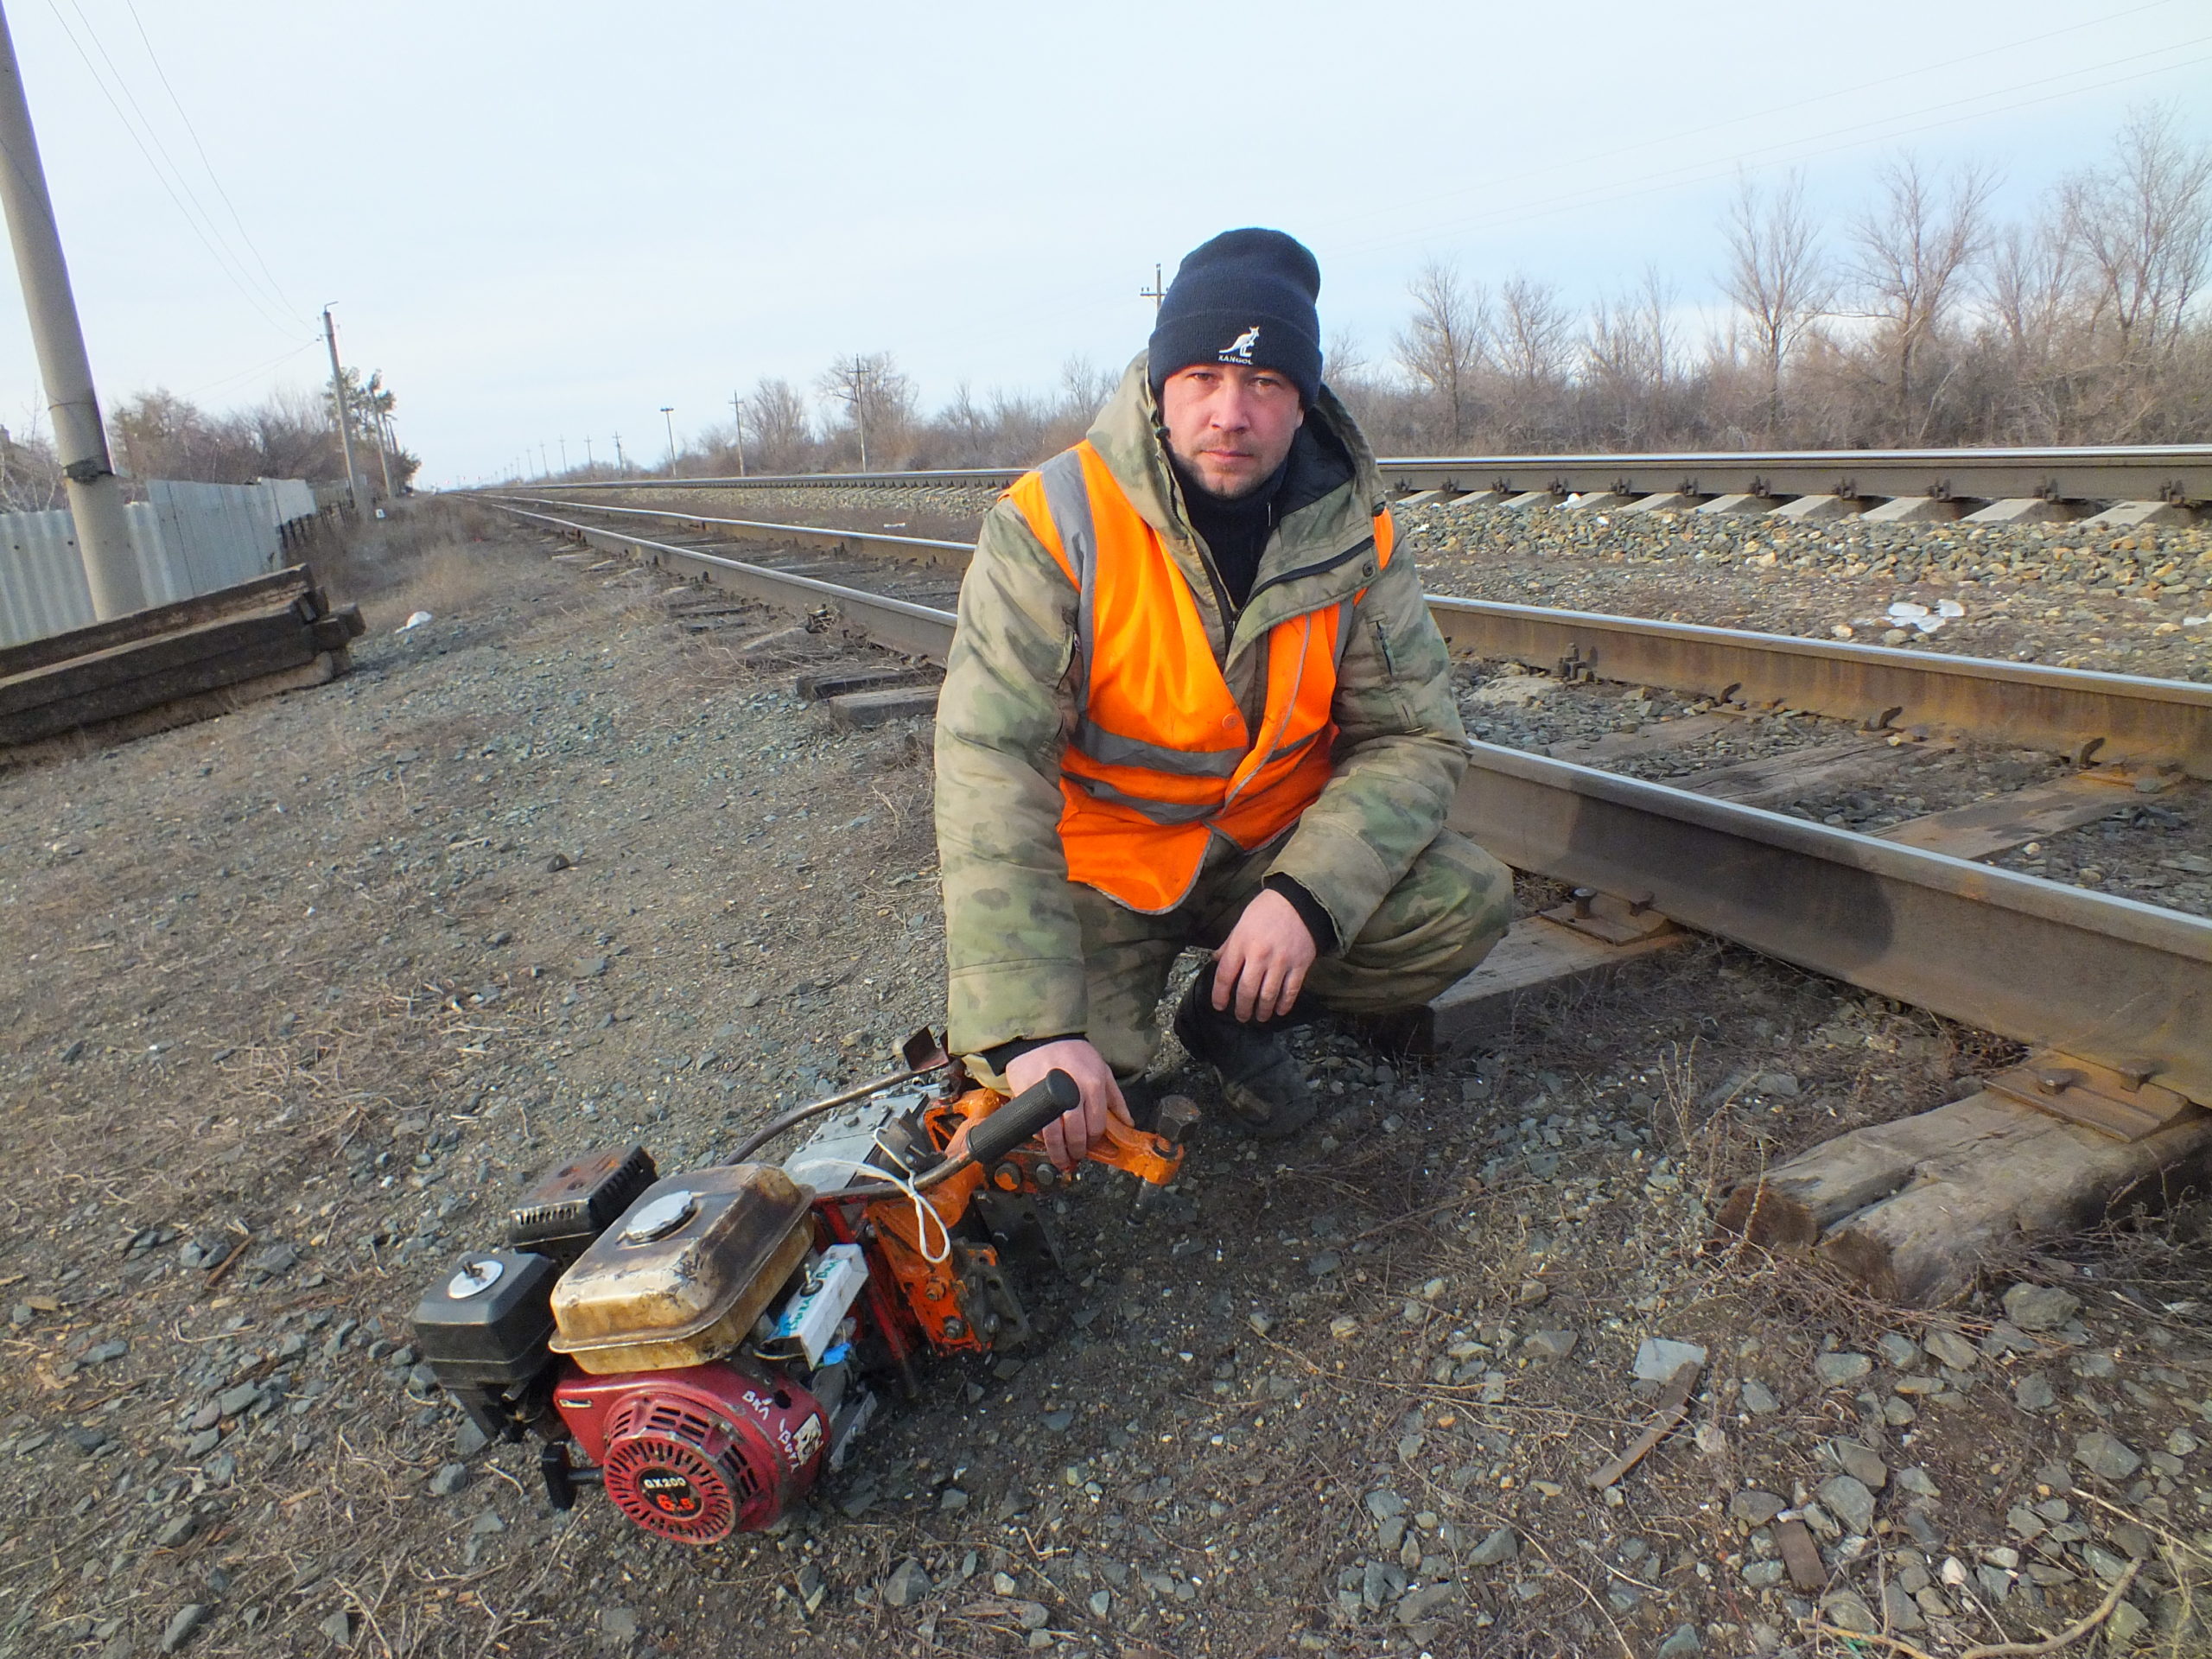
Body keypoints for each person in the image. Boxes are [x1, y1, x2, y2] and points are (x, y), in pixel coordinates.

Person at [934, 227, 1513, 1168]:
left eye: (1265, 383)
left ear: (1302, 400)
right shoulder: (1052, 520)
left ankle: (1230, 1018)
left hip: (1267, 853)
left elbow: (1414, 740)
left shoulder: (1356, 531)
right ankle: (1090, 1034)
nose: (1231, 412)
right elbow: (990, 765)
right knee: (1048, 1112)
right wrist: (1030, 1024)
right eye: (1203, 376)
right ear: (1161, 386)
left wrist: (1305, 895)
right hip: (1108, 868)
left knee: (1461, 898)